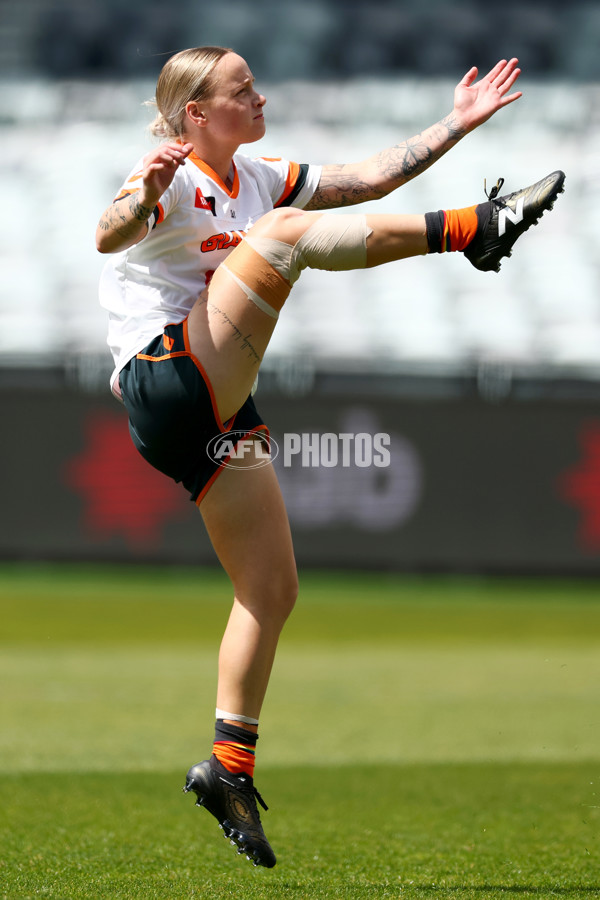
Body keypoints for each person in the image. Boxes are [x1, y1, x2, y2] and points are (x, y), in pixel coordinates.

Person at [96, 46, 564, 868]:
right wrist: (144, 197)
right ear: (196, 114)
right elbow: (110, 234)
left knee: (271, 589)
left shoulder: (261, 174)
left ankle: (229, 768)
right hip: (165, 374)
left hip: (212, 403)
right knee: (283, 237)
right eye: (242, 89)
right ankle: (477, 232)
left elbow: (371, 179)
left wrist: (454, 124)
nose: (260, 94)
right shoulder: (165, 174)